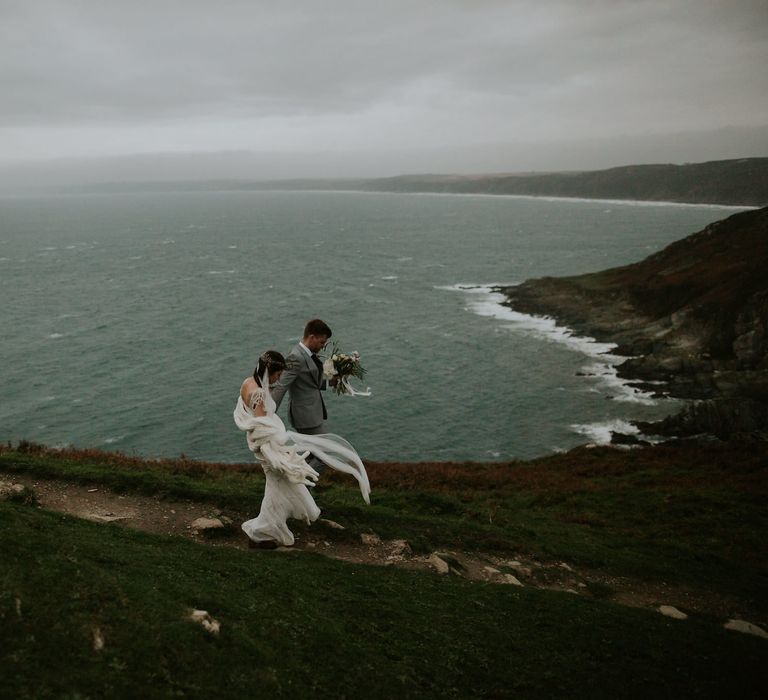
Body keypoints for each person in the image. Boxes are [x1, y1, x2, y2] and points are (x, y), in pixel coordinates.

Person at [234, 350, 369, 548]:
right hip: (268, 447)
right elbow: (262, 427)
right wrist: (275, 454)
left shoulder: (248, 383)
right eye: (278, 375)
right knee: (277, 485)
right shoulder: (259, 395)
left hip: (266, 444)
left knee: (277, 485)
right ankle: (261, 532)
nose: (279, 379)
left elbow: (249, 415)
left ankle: (267, 529)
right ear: (269, 373)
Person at [271, 319, 335, 473]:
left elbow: (312, 383)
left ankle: (299, 490)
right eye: (321, 342)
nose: (323, 346)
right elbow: (282, 386)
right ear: (311, 337)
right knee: (324, 455)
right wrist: (267, 412)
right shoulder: (295, 357)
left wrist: (333, 383)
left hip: (313, 414)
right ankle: (302, 486)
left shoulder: (310, 355)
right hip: (305, 417)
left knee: (311, 455)